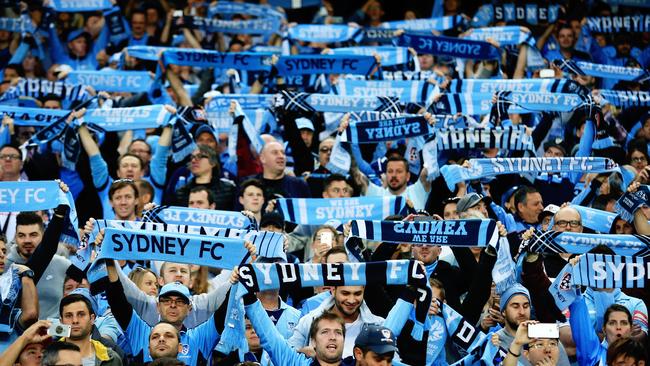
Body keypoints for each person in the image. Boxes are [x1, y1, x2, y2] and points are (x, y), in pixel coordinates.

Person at [57, 293, 122, 365]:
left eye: (81, 314)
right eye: (69, 316)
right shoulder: (46, 356)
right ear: (61, 322)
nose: (75, 320)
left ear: (92, 319)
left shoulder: (111, 359)